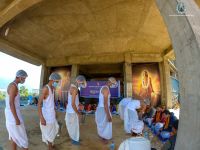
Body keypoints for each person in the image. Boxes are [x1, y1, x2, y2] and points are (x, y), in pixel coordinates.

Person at [5, 70, 29, 150]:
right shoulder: (13, 86)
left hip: (11, 115)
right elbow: (11, 103)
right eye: (24, 78)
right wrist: (16, 119)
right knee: (24, 139)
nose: (24, 80)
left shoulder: (14, 85)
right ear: (19, 77)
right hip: (13, 116)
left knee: (14, 137)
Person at [38, 72, 61, 150]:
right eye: (57, 81)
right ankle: (50, 146)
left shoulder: (52, 88)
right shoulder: (45, 89)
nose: (57, 83)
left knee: (55, 129)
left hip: (51, 114)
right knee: (49, 132)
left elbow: (51, 102)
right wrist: (41, 118)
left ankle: (51, 144)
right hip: (46, 116)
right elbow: (39, 104)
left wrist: (55, 111)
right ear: (52, 80)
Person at [65, 75, 87, 145]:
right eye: (81, 83)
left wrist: (79, 104)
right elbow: (72, 104)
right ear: (79, 82)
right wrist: (78, 113)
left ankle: (75, 138)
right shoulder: (75, 89)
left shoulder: (73, 87)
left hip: (71, 111)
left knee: (74, 126)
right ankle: (74, 139)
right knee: (73, 127)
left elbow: (74, 100)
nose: (81, 85)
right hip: (72, 112)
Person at [95, 77, 118, 144]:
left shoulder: (104, 88)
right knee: (105, 123)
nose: (113, 85)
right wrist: (108, 115)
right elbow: (105, 103)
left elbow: (106, 102)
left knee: (104, 124)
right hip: (103, 109)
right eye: (113, 83)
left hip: (102, 108)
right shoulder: (106, 89)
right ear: (110, 82)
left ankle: (103, 136)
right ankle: (104, 137)